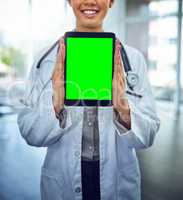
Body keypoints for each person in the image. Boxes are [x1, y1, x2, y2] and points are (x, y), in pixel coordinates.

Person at [17, 0, 160, 199]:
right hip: (63, 182)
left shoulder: (133, 60)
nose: (90, 1)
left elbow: (149, 133)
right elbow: (30, 133)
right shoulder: (45, 61)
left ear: (111, 1)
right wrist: (56, 102)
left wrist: (122, 106)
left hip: (117, 183)